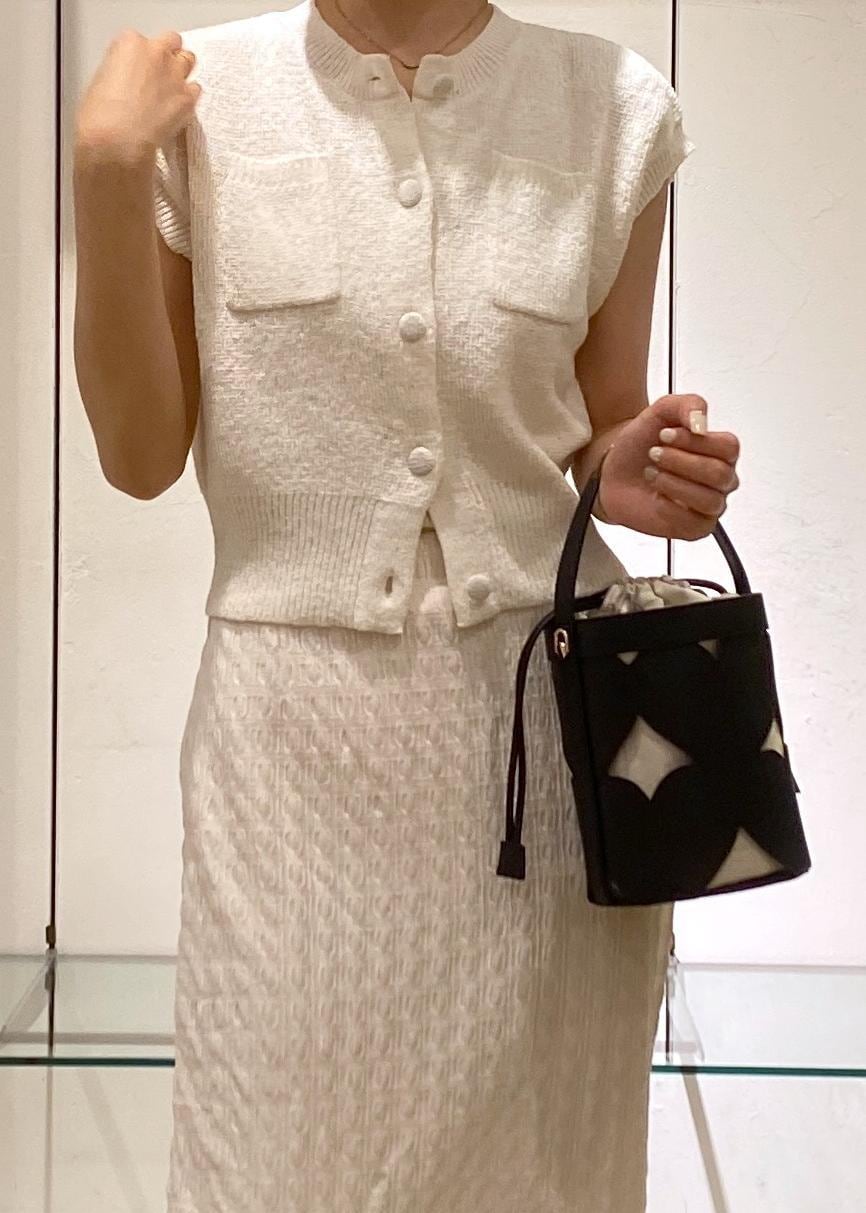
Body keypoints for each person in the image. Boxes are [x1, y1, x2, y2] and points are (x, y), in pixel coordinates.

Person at [72, 2, 740, 1210]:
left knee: (546, 1174)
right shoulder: (196, 96)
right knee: (265, 1161)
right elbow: (139, 453)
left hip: (543, 754)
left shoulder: (609, 105)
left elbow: (595, 423)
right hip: (287, 759)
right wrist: (109, 172)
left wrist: (630, 469)